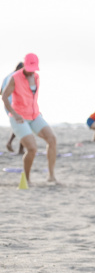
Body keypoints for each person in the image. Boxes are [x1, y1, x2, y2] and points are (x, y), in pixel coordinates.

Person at [1, 53, 58, 184]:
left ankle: (51, 176)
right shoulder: (14, 78)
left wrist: (36, 111)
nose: (31, 71)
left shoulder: (37, 77)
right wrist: (14, 113)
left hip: (34, 115)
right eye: (29, 68)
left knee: (52, 139)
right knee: (32, 149)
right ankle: (26, 179)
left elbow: (32, 97)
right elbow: (4, 96)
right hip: (19, 117)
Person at [3, 62, 24, 154]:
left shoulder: (7, 77)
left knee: (19, 124)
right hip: (16, 104)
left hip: (7, 105)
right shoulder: (17, 77)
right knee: (23, 124)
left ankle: (11, 143)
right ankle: (19, 148)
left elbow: (1, 92)